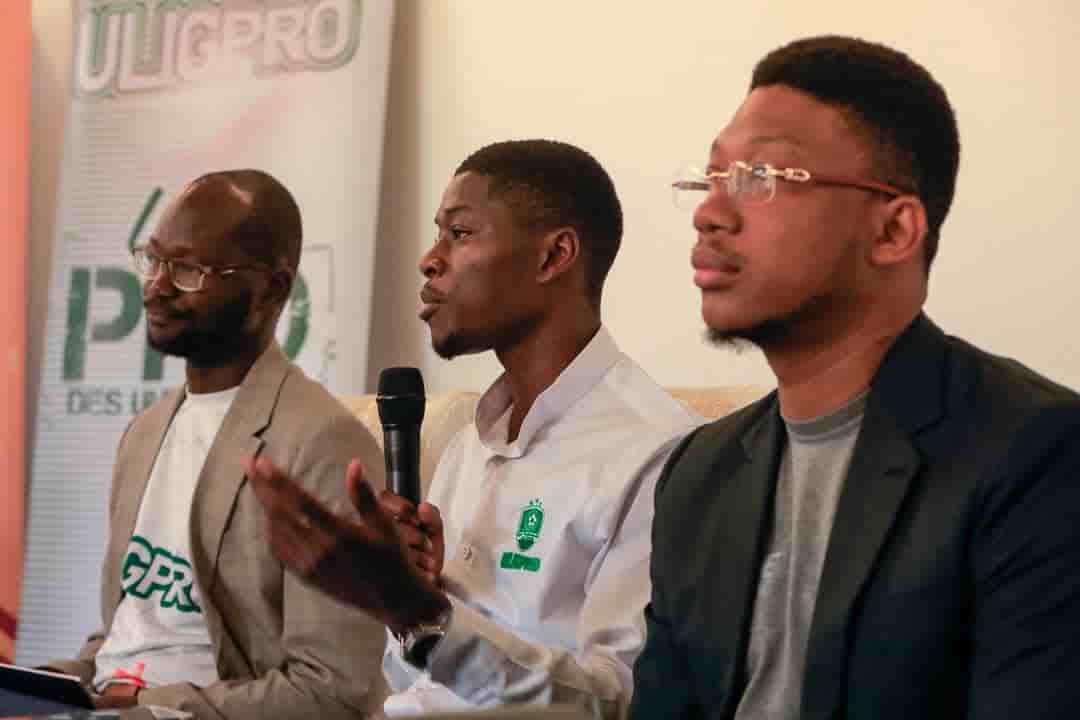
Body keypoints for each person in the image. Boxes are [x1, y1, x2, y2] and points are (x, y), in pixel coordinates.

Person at [629, 35, 1080, 720]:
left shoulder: (1038, 455)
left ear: (893, 231)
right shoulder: (700, 472)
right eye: (712, 177)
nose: (710, 211)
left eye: (762, 175)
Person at [247, 139, 702, 719]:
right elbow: (412, 684)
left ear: (553, 256)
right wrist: (413, 598)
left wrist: (421, 614)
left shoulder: (658, 452)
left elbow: (613, 703)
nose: (429, 259)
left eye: (459, 234)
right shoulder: (468, 444)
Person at [46, 170, 388, 718]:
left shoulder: (324, 443)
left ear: (270, 290)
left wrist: (147, 707)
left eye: (188, 270)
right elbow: (127, 637)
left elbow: (329, 690)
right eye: (153, 260)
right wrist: (55, 683)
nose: (156, 286)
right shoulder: (144, 432)